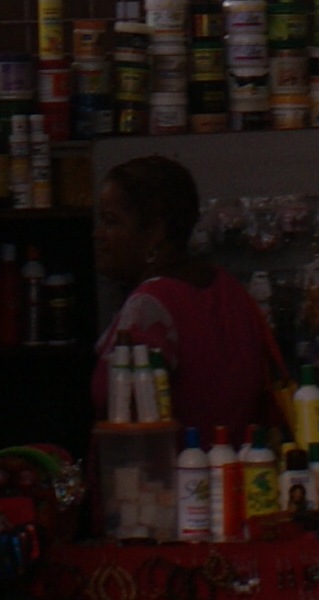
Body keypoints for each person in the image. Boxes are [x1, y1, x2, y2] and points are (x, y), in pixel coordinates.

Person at [89, 154, 286, 437]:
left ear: (155, 231)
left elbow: (127, 426)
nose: (98, 234)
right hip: (239, 461)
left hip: (175, 465)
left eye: (111, 222)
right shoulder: (227, 287)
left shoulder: (149, 304)